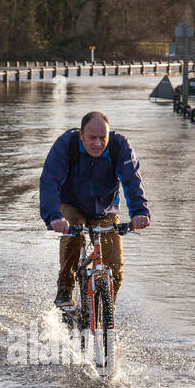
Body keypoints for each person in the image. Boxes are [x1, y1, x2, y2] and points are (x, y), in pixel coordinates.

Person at [39, 111, 150, 307]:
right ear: (81, 134)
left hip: (105, 210)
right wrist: (54, 216)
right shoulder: (66, 145)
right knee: (73, 232)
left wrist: (140, 212)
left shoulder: (119, 146)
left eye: (103, 138)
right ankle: (65, 289)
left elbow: (132, 180)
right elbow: (50, 182)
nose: (98, 144)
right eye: (92, 138)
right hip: (71, 205)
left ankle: (105, 311)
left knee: (115, 265)